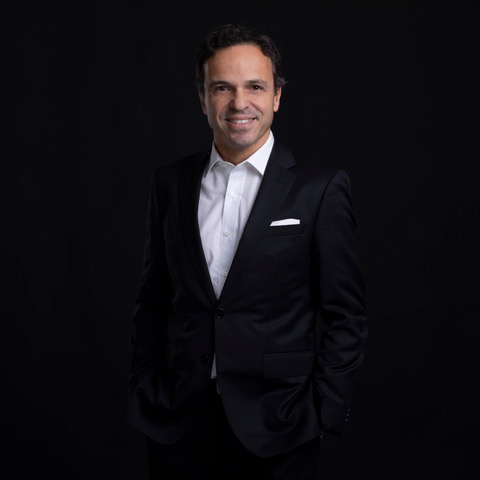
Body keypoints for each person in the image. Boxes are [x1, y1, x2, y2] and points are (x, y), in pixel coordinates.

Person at [127, 24, 367, 480]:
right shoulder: (170, 184)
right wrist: (144, 384)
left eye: (255, 86)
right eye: (223, 88)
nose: (240, 103)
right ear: (203, 99)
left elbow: (346, 314)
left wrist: (325, 411)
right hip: (177, 422)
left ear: (276, 96)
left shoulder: (319, 189)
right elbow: (152, 300)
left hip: (281, 425)